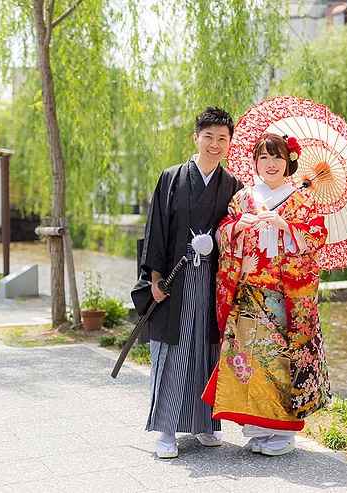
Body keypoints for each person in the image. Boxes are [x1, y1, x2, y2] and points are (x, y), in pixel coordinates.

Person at [202, 133, 331, 456]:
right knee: (250, 362)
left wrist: (286, 225)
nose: (270, 164)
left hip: (283, 296)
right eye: (264, 158)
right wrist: (237, 227)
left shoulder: (302, 199)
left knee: (281, 363)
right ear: (255, 163)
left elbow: (316, 237)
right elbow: (222, 232)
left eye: (277, 157)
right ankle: (258, 429)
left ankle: (283, 435)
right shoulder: (243, 198)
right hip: (248, 293)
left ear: (289, 161)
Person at [139, 106, 241, 459]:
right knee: (173, 350)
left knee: (206, 349)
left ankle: (205, 424)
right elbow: (156, 230)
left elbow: (238, 234)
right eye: (208, 137)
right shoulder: (171, 178)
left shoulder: (233, 186)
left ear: (229, 144)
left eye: (222, 139)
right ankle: (166, 429)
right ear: (195, 137)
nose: (215, 144)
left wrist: (218, 240)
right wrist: (155, 278)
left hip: (214, 280)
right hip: (175, 278)